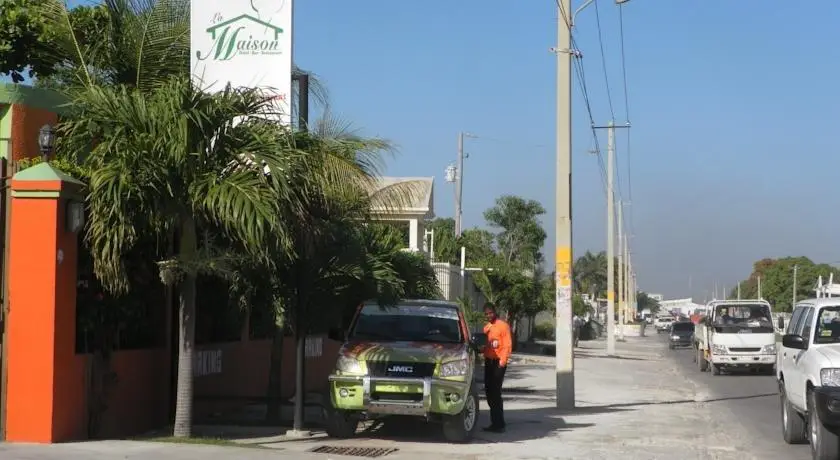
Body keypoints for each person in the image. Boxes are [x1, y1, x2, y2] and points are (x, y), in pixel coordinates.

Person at [482, 302, 512, 433]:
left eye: (490, 313)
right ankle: (496, 421)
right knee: (489, 391)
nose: (489, 315)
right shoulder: (488, 327)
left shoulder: (503, 326)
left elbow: (507, 345)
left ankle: (498, 424)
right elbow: (487, 344)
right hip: (488, 361)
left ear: (495, 312)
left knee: (495, 392)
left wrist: (502, 362)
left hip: (498, 363)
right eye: (486, 314)